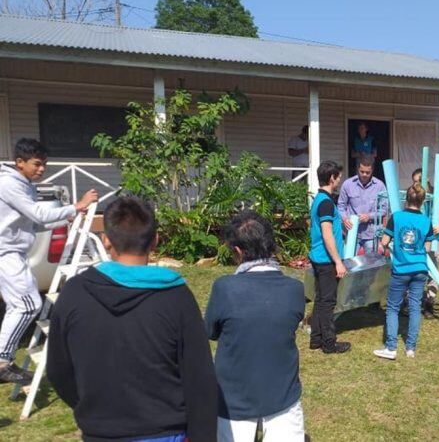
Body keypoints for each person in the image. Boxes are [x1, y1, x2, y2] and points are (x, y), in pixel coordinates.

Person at [47, 196, 217, 441]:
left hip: (100, 431)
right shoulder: (176, 297)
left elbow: (58, 370)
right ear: (155, 241)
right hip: (164, 431)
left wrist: (93, 408)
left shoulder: (74, 292)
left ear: (106, 241)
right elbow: (199, 377)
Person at [0, 138, 98, 384]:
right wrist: (76, 206)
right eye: (37, 164)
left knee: (23, 304)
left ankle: (3, 360)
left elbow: (37, 222)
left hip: (15, 252)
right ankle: (1, 362)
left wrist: (69, 217)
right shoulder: (9, 184)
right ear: (19, 162)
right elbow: (38, 213)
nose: (41, 169)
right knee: (27, 305)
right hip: (5, 252)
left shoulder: (25, 185)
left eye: (44, 164)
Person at [206, 211, 306, 441]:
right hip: (283, 395)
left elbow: (210, 331)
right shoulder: (295, 288)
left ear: (238, 252)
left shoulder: (225, 288)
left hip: (233, 399)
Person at [374, 184, 439, 360]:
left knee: (393, 308)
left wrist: (388, 244)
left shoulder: (396, 217)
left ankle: (391, 347)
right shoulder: (426, 221)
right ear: (422, 201)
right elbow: (426, 247)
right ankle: (410, 348)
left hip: (401, 270)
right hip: (420, 270)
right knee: (415, 307)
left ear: (406, 199)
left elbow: (384, 242)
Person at [308, 160, 351, 354]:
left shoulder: (320, 199)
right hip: (326, 260)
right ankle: (329, 343)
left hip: (318, 257)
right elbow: (327, 235)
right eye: (338, 176)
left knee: (320, 299)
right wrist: (338, 262)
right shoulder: (325, 203)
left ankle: (315, 339)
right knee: (328, 303)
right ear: (331, 178)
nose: (340, 179)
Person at [411, 168, 439, 319]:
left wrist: (433, 224)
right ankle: (415, 301)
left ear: (427, 180)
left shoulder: (437, 196)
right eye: (414, 182)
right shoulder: (413, 197)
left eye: (419, 181)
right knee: (417, 269)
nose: (416, 184)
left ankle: (429, 303)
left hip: (434, 238)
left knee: (432, 270)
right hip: (418, 238)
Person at [337, 157, 388, 254]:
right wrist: (344, 219)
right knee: (349, 263)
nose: (364, 175)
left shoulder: (380, 186)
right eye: (362, 171)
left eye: (367, 172)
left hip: (371, 233)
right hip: (352, 232)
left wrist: (369, 216)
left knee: (371, 264)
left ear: (372, 170)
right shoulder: (348, 184)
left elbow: (384, 209)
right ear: (357, 169)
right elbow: (341, 206)